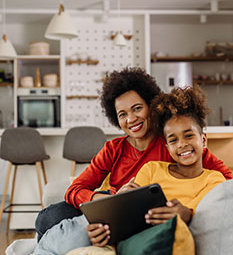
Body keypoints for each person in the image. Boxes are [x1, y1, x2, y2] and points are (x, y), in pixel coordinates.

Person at [36, 67, 232, 241]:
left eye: (137, 108)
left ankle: (66, 238)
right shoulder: (113, 149)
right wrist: (106, 201)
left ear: (150, 107)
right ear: (116, 119)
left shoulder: (173, 143)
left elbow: (227, 181)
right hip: (112, 204)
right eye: (123, 114)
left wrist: (189, 209)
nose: (131, 119)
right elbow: (75, 189)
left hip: (148, 212)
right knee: (48, 217)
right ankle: (58, 240)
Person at [87, 85, 226, 246]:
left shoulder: (215, 180)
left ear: (203, 140)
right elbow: (128, 214)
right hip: (136, 241)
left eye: (188, 136)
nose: (182, 144)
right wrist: (104, 227)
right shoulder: (151, 169)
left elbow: (198, 211)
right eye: (173, 140)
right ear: (167, 147)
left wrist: (186, 213)